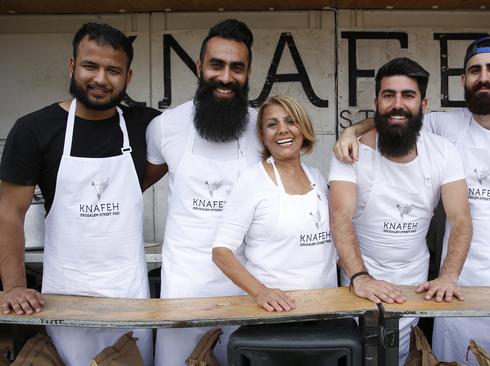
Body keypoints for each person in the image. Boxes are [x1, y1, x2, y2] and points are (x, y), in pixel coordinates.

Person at [334, 37, 490, 364]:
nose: (483, 77)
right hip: (455, 283)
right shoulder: (447, 124)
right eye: (475, 70)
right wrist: (350, 132)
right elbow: (397, 116)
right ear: (464, 80)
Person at [0, 23, 158, 365]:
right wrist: (14, 286)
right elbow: (9, 212)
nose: (101, 78)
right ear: (73, 66)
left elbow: (194, 139)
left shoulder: (146, 125)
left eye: (113, 70)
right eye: (90, 66)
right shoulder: (34, 129)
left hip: (129, 293)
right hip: (65, 293)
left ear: (128, 76)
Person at [329, 57, 472, 366]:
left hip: (413, 284)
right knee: (359, 356)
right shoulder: (351, 152)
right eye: (388, 95)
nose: (397, 104)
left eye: (408, 95)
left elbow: (460, 218)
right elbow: (340, 217)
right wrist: (360, 277)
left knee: (399, 354)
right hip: (357, 282)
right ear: (377, 101)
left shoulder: (443, 151)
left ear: (423, 103)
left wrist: (448, 275)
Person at [144, 19, 262, 366]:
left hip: (248, 292)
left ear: (248, 73)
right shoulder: (164, 127)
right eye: (216, 65)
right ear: (199, 67)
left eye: (236, 68)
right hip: (183, 292)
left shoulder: (263, 128)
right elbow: (136, 186)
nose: (226, 78)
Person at [212, 95, 337, 312]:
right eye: (272, 124)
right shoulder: (252, 181)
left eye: (291, 121)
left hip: (327, 306)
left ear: (303, 127)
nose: (282, 130)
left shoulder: (317, 177)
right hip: (275, 313)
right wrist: (260, 291)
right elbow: (221, 252)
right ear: (262, 135)